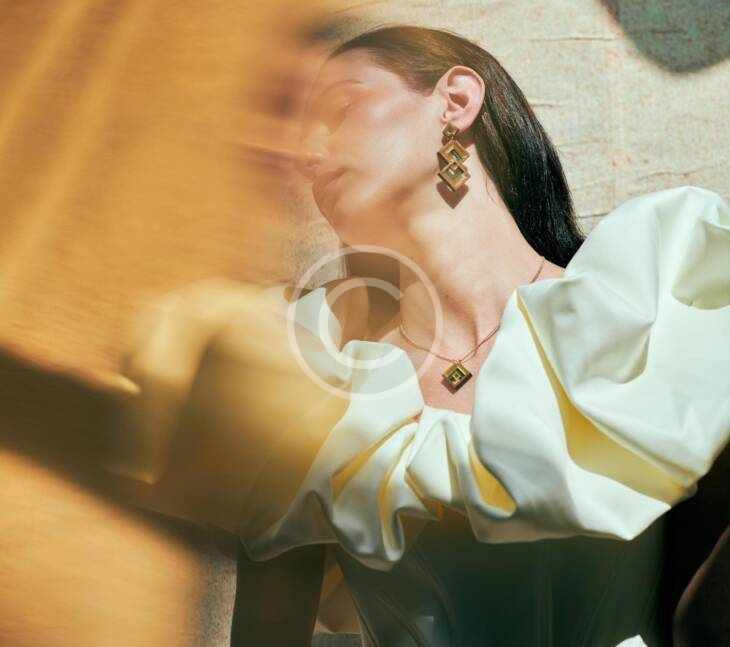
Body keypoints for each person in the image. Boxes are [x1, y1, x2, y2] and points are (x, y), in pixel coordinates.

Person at [121, 25, 730, 646]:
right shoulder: (317, 374)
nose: (308, 153)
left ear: (456, 101)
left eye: (341, 108)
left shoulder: (647, 309)